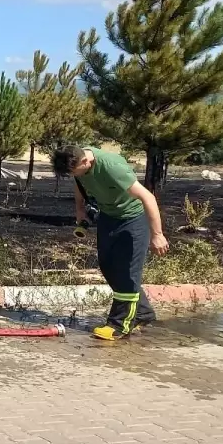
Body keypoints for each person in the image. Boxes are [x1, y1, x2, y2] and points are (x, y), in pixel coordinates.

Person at [51, 145, 169, 341]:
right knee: (109, 267)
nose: (75, 175)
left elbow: (147, 197)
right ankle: (143, 313)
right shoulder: (77, 162)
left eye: (75, 172)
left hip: (133, 219)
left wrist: (157, 235)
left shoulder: (112, 166)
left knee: (128, 272)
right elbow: (79, 183)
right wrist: (79, 209)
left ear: (86, 162)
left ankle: (119, 325)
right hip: (109, 217)